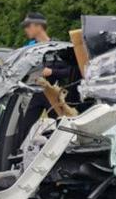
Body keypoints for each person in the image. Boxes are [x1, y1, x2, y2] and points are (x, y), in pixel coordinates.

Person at [17, 12, 74, 145]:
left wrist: (52, 71)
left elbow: (71, 71)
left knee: (63, 130)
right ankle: (13, 155)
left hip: (54, 95)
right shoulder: (28, 50)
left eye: (28, 26)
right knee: (22, 129)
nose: (26, 29)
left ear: (38, 26)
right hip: (35, 95)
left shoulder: (58, 48)